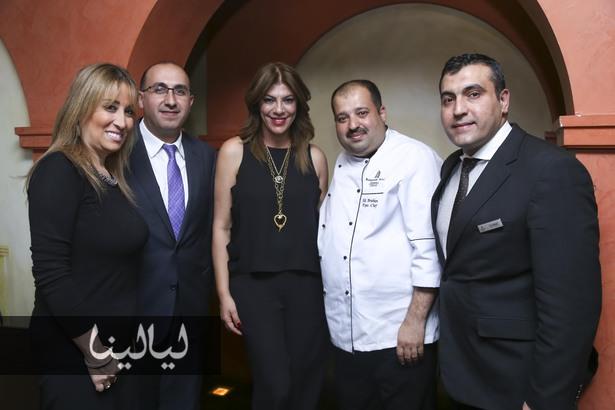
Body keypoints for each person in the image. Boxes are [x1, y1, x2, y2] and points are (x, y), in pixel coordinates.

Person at [432, 53, 602, 410]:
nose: (458, 109)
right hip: (462, 375)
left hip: (518, 383)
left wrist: (543, 400)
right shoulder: (451, 168)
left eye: (473, 94)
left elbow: (572, 308)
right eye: (448, 99)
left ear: (504, 100)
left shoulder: (550, 171)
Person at [27, 63, 148, 409]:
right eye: (110, 107)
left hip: (115, 352)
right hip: (76, 354)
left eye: (128, 111)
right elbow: (51, 273)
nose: (122, 121)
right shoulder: (59, 169)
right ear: (81, 109)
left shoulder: (111, 177)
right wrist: (95, 353)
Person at [318, 80, 442, 410]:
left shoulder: (414, 158)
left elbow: (429, 249)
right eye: (342, 117)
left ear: (382, 113)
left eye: (362, 113)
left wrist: (415, 323)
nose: (353, 125)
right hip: (347, 337)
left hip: (399, 336)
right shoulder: (342, 163)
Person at [212, 62, 329, 410]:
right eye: (269, 99)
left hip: (308, 286)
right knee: (275, 385)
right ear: (257, 104)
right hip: (253, 286)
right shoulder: (234, 151)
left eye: (288, 100)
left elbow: (323, 230)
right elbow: (221, 226)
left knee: (307, 382)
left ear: (299, 105)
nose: (279, 109)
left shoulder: (315, 157)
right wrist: (224, 294)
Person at [127, 62, 216, 410]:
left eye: (180, 91)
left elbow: (214, 228)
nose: (170, 100)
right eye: (159, 89)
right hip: (132, 310)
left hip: (191, 310)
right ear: (141, 99)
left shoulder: (207, 157)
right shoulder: (117, 152)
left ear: (191, 101)